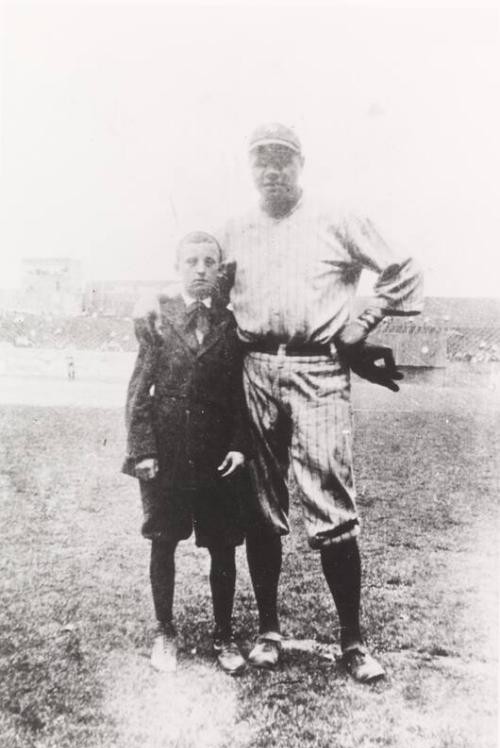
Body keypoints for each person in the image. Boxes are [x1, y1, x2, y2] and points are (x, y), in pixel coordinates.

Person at [218, 123, 424, 683]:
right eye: (261, 158)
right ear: (249, 166)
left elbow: (403, 268)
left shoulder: (337, 217)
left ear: (301, 164)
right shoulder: (233, 229)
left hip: (319, 368)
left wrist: (363, 322)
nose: (271, 169)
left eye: (282, 159)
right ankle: (268, 632)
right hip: (255, 366)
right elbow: (207, 292)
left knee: (332, 504)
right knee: (261, 503)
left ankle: (353, 642)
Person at [122, 231, 254, 676]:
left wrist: (239, 444)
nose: (200, 269)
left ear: (221, 270)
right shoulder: (158, 318)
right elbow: (139, 392)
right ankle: (165, 631)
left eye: (209, 262)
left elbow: (241, 393)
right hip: (168, 455)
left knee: (223, 546)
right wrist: (142, 451)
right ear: (178, 267)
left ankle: (224, 634)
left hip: (218, 455)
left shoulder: (234, 324)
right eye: (191, 261)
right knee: (163, 541)